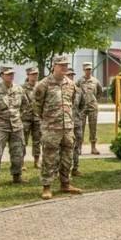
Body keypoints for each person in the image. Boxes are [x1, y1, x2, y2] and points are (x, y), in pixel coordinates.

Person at [34, 56, 82, 199]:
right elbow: (37, 106)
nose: (64, 68)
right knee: (49, 157)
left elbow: (72, 103)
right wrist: (47, 121)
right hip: (51, 128)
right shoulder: (43, 84)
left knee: (67, 157)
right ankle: (46, 187)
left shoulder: (71, 84)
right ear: (53, 66)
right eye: (61, 65)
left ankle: (65, 184)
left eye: (66, 65)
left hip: (67, 127)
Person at [0, 66, 27, 188]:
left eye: (12, 74)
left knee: (18, 152)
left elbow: (25, 104)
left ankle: (17, 176)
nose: (11, 76)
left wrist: (17, 115)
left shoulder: (19, 89)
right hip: (0, 127)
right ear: (1, 75)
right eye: (8, 74)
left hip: (17, 126)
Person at [76, 62, 103, 155]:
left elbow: (100, 92)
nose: (88, 71)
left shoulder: (95, 81)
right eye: (87, 69)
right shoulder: (79, 81)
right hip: (82, 108)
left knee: (93, 127)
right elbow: (76, 92)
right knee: (80, 128)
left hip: (92, 107)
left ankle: (93, 148)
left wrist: (94, 100)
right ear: (83, 70)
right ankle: (79, 148)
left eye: (90, 69)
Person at [21, 67, 42, 168]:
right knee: (23, 141)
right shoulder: (22, 88)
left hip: (37, 117)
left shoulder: (41, 86)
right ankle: (22, 162)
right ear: (28, 75)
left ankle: (36, 161)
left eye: (36, 74)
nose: (35, 76)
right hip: (25, 118)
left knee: (37, 140)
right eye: (32, 74)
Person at [68, 67, 86, 177]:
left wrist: (78, 115)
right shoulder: (60, 90)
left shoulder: (79, 90)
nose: (71, 77)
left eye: (72, 75)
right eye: (69, 75)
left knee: (77, 145)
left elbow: (83, 105)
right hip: (64, 124)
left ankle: (75, 167)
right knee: (64, 146)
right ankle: (61, 170)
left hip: (76, 123)